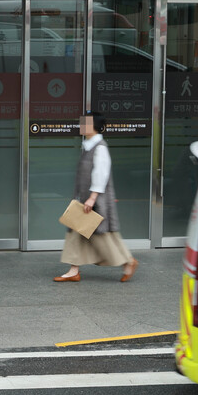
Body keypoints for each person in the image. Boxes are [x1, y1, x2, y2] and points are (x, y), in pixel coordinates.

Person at [54, 111, 139, 283]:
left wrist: (92, 198)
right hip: (83, 199)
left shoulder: (100, 147)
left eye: (85, 123)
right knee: (76, 232)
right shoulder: (87, 146)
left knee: (101, 236)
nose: (81, 125)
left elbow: (101, 174)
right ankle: (73, 270)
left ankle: (127, 261)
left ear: (95, 126)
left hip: (95, 200)